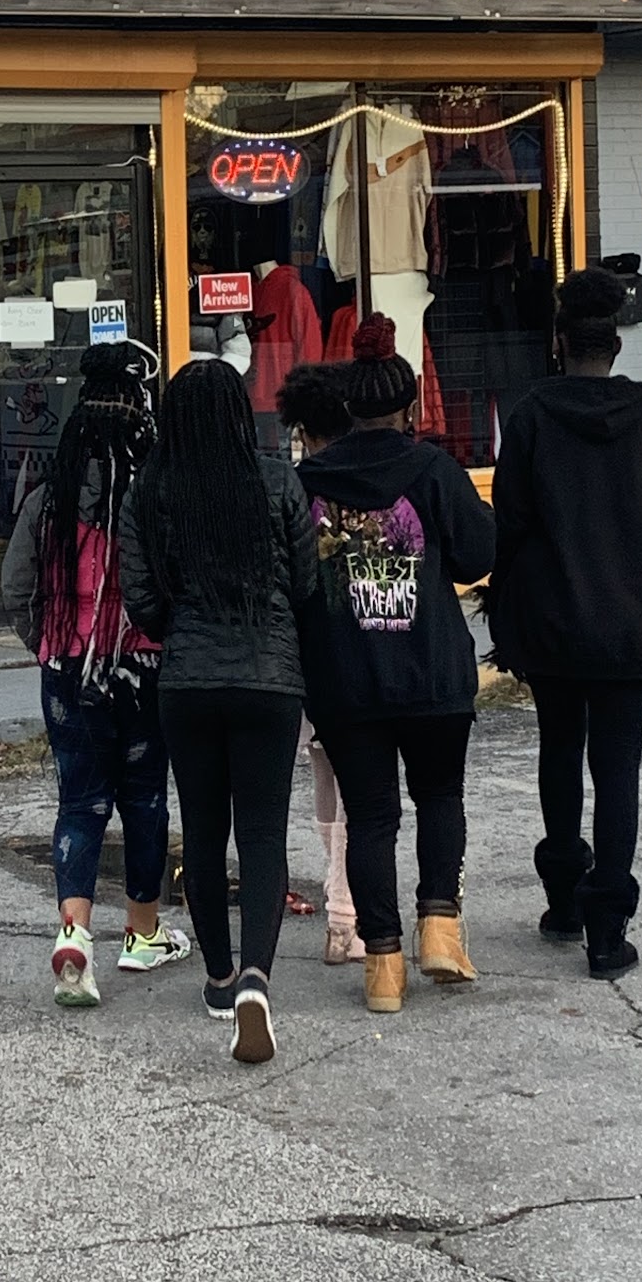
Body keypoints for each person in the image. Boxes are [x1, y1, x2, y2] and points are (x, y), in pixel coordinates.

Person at [489, 267, 642, 980]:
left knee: (559, 749)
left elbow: (510, 516)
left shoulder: (531, 415)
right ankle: (608, 931)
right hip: (635, 615)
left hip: (553, 614)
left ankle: (562, 897)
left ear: (560, 343)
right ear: (616, 345)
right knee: (618, 768)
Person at [120, 357, 316, 1066]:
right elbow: (305, 584)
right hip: (270, 679)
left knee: (203, 833)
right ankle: (257, 980)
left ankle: (218, 977)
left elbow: (141, 600)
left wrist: (182, 624)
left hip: (188, 682)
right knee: (262, 834)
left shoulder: (149, 490)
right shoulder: (277, 480)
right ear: (240, 414)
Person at [298, 317, 496, 1015]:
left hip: (345, 678)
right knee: (440, 797)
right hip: (432, 669)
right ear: (410, 408)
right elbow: (477, 556)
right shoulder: (435, 471)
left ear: (347, 408)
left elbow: (293, 578)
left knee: (371, 817)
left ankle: (382, 965)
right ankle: (440, 929)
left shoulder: (308, 482)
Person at [2, 343, 190, 1009]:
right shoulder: (159, 501)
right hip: (144, 669)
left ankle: (74, 934)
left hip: (68, 670)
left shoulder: (47, 501)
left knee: (79, 803)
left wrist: (51, 646)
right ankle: (142, 933)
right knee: (144, 799)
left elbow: (16, 588)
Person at [276, 362, 364, 966]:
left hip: (305, 650)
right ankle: (345, 915)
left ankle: (340, 910)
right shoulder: (369, 478)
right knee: (359, 786)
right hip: (362, 647)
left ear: (302, 430)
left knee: (323, 778)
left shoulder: (294, 487)